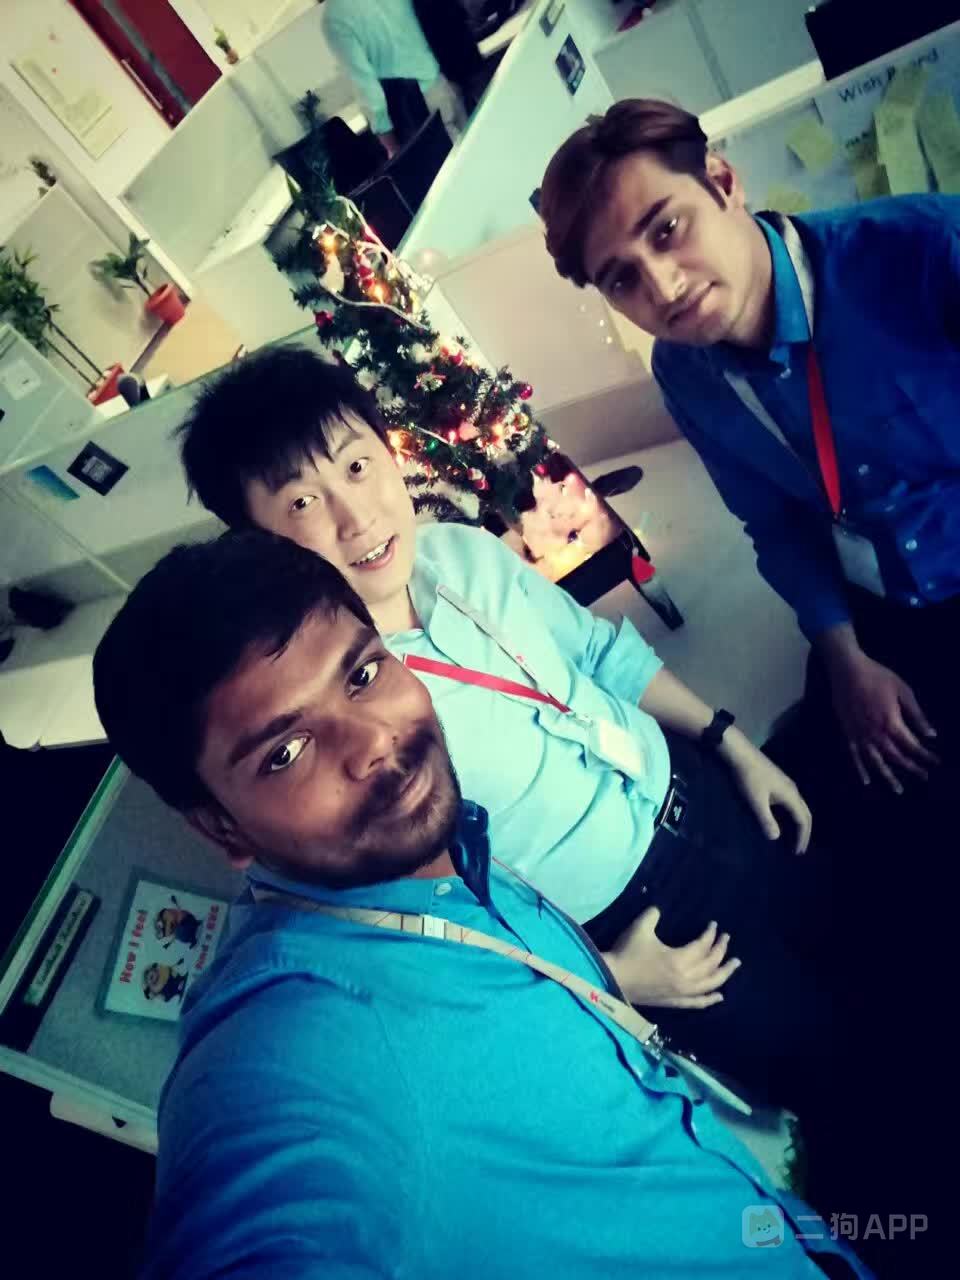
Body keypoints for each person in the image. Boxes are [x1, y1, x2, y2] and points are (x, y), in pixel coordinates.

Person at [92, 530, 870, 1280]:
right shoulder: (287, 1048)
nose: (372, 742)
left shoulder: (447, 848)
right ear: (221, 828)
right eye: (285, 752)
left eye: (362, 675)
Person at [174, 346, 849, 1122]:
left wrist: (731, 743)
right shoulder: (339, 709)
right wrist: (607, 976)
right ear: (260, 542)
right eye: (302, 503)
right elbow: (429, 911)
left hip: (694, 786)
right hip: (641, 925)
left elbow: (598, 654)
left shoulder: (458, 551)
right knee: (827, 1065)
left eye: (357, 467)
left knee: (860, 923)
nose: (356, 518)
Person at [538, 100, 960, 811]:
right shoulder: (684, 370)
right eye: (622, 279)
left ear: (723, 182)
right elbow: (774, 524)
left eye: (668, 230)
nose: (664, 288)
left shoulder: (923, 252)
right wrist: (844, 657)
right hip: (877, 604)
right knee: (823, 808)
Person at [322, 0, 468, 156]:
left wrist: (392, 147)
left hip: (415, 112)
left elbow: (370, 93)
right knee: (475, 152)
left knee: (456, 166)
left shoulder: (334, 18)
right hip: (443, 85)